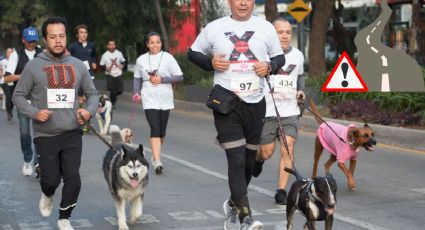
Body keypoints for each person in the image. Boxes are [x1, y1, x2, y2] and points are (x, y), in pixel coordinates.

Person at [187, 0, 286, 229]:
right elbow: (192, 53)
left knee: (249, 165)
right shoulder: (214, 27)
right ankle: (246, 217)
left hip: (256, 103)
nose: (243, 2)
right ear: (229, 2)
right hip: (227, 103)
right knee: (237, 159)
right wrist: (210, 62)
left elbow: (279, 58)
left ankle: (234, 203)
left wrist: (269, 66)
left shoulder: (266, 28)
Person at [12, 16, 98, 230]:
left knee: (73, 178)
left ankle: (64, 217)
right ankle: (48, 193)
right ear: (45, 39)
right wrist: (34, 112)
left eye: (61, 36)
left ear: (66, 37)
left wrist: (88, 112)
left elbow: (93, 94)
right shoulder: (33, 67)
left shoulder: (78, 66)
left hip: (72, 132)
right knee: (50, 180)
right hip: (45, 134)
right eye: (53, 37)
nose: (58, 41)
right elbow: (18, 96)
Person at [252, 18, 305, 205]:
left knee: (288, 148)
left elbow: (300, 78)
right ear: (272, 34)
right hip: (266, 112)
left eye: (288, 32)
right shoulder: (263, 56)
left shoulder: (298, 55)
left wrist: (301, 92)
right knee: (266, 152)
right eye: (280, 32)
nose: (284, 35)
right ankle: (258, 160)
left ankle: (281, 190)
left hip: (289, 112)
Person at [132, 32, 183, 174]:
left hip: (165, 97)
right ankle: (157, 160)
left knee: (161, 131)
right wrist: (136, 92)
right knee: (154, 128)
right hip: (148, 97)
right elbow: (137, 78)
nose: (155, 45)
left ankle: (155, 156)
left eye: (157, 42)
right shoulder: (141, 59)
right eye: (152, 42)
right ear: (147, 44)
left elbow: (179, 76)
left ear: (161, 43)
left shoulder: (168, 58)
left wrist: (162, 80)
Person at [4, 27, 43, 177]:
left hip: (40, 100)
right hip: (23, 100)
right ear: (23, 40)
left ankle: (38, 162)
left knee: (40, 132)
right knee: (25, 133)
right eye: (29, 41)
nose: (32, 44)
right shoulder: (16, 55)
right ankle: (27, 159)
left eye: (34, 41)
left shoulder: (42, 53)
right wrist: (25, 76)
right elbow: (7, 78)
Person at [68, 24, 97, 106]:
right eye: (81, 32)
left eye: (85, 32)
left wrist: (94, 62)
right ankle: (80, 109)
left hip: (89, 73)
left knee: (91, 92)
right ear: (77, 35)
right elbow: (68, 58)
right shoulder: (73, 46)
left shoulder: (91, 45)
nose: (84, 34)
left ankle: (86, 112)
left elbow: (94, 55)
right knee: (80, 97)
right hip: (77, 73)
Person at [99, 39, 126, 108]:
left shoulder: (119, 53)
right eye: (110, 45)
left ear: (115, 45)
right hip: (110, 74)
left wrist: (122, 65)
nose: (112, 46)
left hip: (118, 74)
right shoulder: (105, 55)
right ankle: (113, 103)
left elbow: (123, 61)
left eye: (113, 45)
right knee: (113, 90)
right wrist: (105, 68)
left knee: (120, 91)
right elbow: (101, 65)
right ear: (108, 46)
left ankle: (112, 97)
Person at [1, 48, 14, 116]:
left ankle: (10, 109)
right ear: (6, 53)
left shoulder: (15, 62)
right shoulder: (2, 61)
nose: (9, 54)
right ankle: (9, 113)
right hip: (4, 81)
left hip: (12, 82)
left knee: (12, 98)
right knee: (8, 96)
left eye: (11, 52)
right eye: (8, 52)